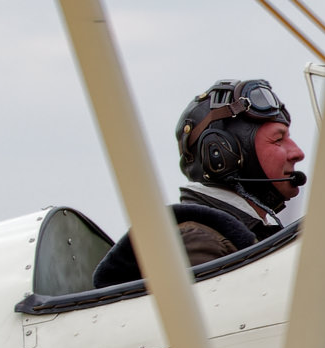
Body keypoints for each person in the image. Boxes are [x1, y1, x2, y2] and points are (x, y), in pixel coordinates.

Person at [90, 78, 307, 288]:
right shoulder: (196, 241)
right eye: (278, 140)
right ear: (221, 155)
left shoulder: (250, 234)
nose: (297, 153)